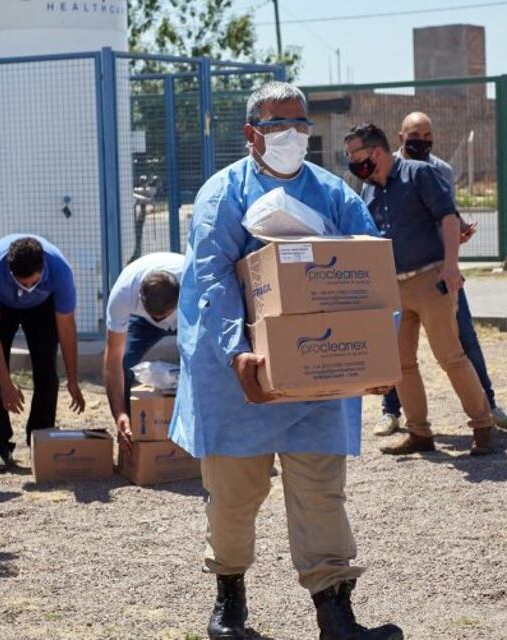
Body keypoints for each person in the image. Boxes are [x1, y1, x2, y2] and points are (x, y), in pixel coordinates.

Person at [169, 83, 403, 640]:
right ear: (252, 133)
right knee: (233, 493)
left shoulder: (333, 194)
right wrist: (237, 352)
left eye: (300, 125)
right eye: (279, 126)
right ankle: (229, 603)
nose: (293, 136)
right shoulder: (222, 194)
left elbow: (369, 271)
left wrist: (373, 353)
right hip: (238, 377)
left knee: (322, 490)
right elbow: (211, 280)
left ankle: (335, 613)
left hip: (318, 373)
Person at [344, 123, 497, 457]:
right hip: (392, 288)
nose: (352, 163)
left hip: (431, 280)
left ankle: (483, 426)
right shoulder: (368, 189)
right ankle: (419, 433)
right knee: (401, 364)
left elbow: (448, 218)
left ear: (377, 151)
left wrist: (452, 264)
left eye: (354, 155)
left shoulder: (420, 175)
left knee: (451, 357)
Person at [374, 111, 507, 436]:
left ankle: (487, 406)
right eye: (414, 135)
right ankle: (391, 412)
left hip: (439, 271)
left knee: (464, 340)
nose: (421, 141)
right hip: (398, 278)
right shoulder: (384, 169)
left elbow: (445, 214)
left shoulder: (441, 170)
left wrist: (456, 245)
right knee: (398, 353)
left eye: (426, 135)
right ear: (400, 137)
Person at [0, 234, 86, 472]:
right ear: (9, 270)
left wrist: (74, 380)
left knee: (46, 370)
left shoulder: (60, 270)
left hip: (42, 307)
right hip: (2, 307)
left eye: (32, 283)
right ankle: (1, 446)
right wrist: (6, 384)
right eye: (21, 283)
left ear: (43, 268)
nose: (27, 288)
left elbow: (66, 327)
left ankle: (40, 440)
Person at [103, 252, 183, 442]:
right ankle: (132, 434)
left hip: (185, 317)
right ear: (140, 297)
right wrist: (119, 413)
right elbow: (112, 359)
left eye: (163, 316)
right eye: (155, 315)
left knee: (200, 365)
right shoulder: (123, 295)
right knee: (124, 363)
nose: (160, 320)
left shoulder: (194, 280)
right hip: (143, 323)